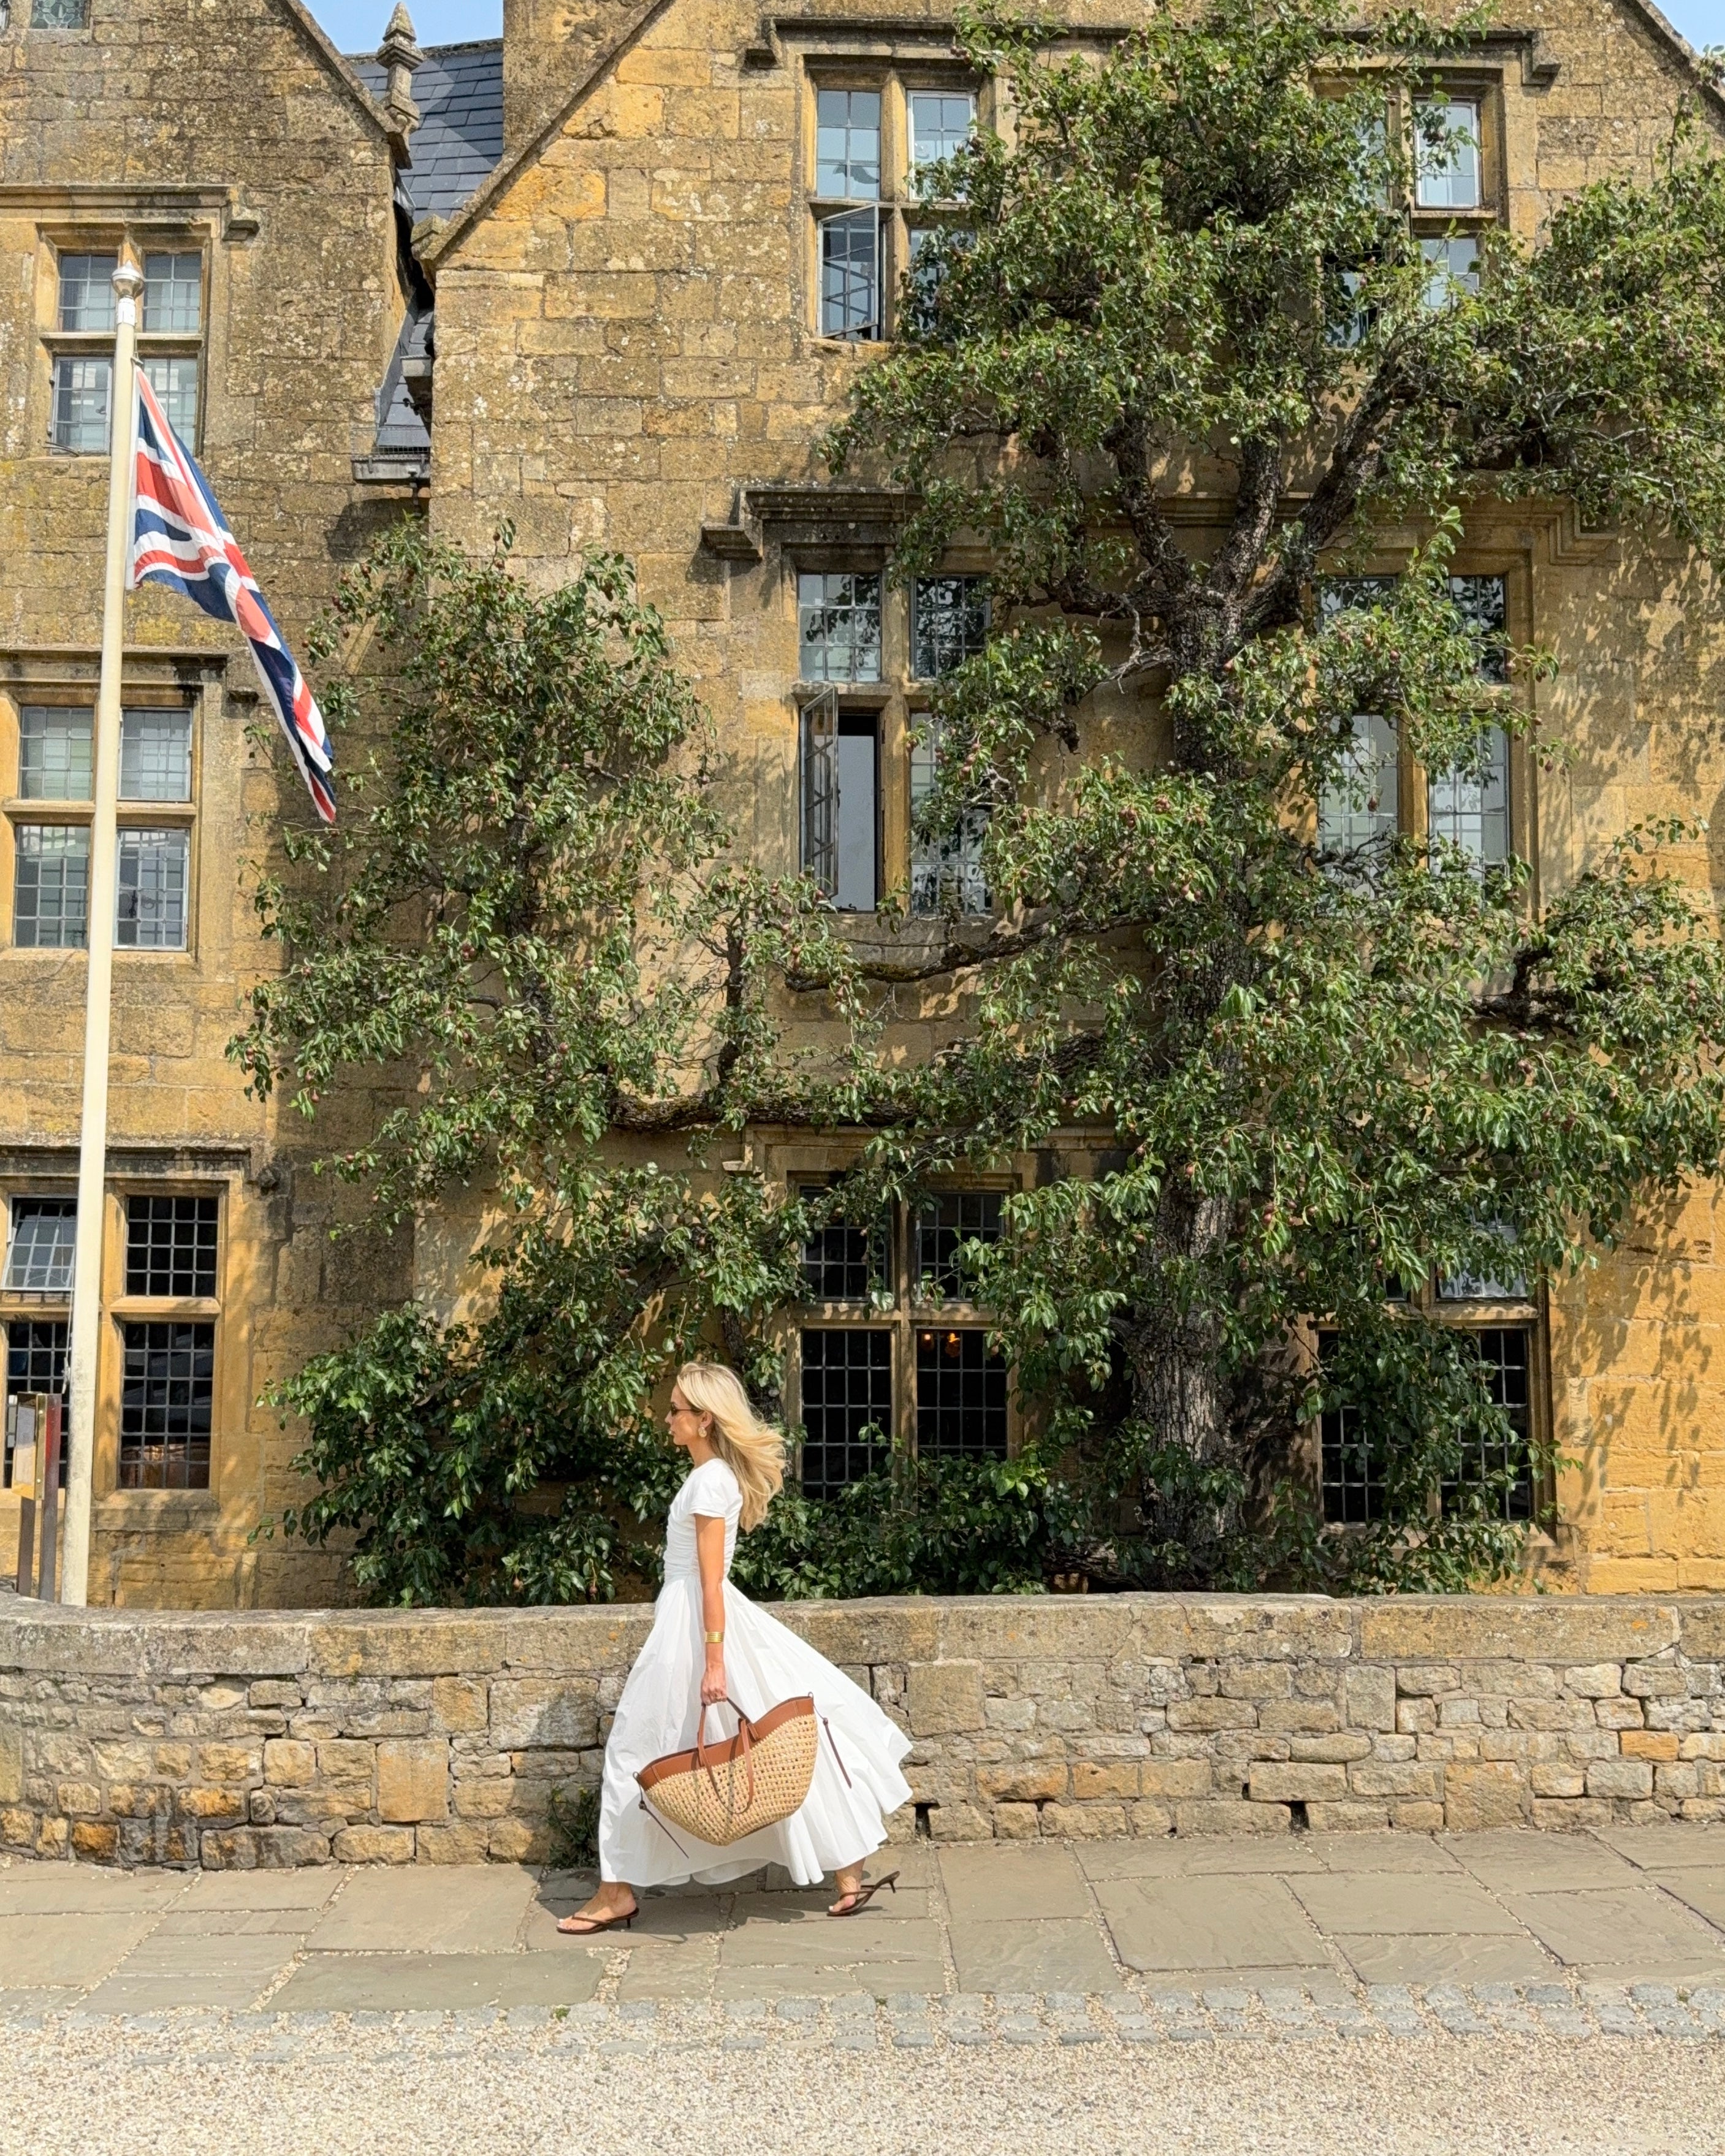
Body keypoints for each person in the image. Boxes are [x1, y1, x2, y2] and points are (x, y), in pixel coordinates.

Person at [559, 1361, 913, 1932]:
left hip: (695, 1625)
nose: (667, 1417)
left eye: (676, 1409)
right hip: (694, 1620)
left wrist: (714, 1661)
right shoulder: (710, 1476)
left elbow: (709, 1581)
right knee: (777, 1740)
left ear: (704, 1419)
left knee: (634, 1749)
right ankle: (850, 1870)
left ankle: (615, 1892)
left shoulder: (709, 1482)